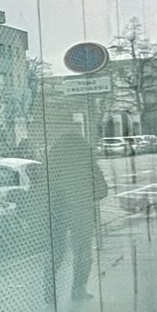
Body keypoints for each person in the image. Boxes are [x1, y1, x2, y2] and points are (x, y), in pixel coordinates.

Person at [42, 119, 107, 301]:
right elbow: (102, 188)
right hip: (81, 210)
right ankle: (78, 289)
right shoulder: (86, 159)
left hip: (57, 211)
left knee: (56, 251)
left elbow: (44, 186)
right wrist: (85, 194)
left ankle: (48, 293)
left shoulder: (52, 160)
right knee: (82, 251)